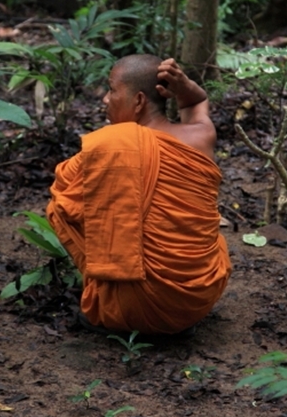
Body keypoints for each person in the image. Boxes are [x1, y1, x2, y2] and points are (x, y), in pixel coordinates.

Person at [47, 55, 232, 334]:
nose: (105, 100)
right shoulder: (200, 136)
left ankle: (113, 294)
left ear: (139, 101)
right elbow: (196, 103)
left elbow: (63, 203)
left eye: (112, 90)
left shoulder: (110, 146)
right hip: (197, 298)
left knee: (61, 201)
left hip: (132, 309)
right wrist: (185, 87)